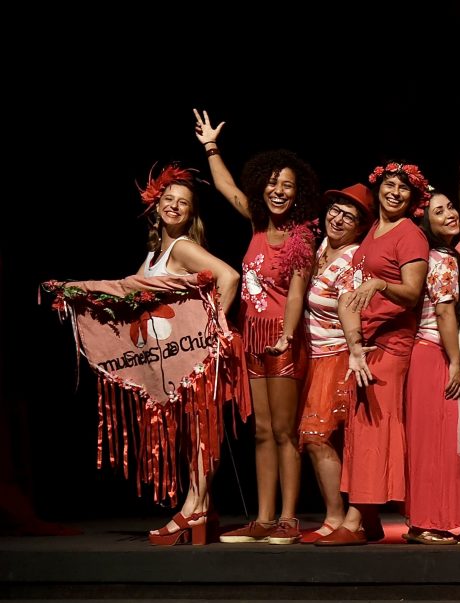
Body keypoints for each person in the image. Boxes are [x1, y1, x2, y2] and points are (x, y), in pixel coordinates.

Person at [195, 111, 319, 545]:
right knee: (262, 431)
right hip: (252, 337)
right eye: (272, 183)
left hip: (284, 340)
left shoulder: (302, 235)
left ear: (297, 191)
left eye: (286, 185)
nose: (278, 191)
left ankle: (288, 518)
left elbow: (298, 294)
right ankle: (264, 518)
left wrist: (286, 335)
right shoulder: (255, 224)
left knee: (286, 432)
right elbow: (227, 189)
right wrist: (211, 146)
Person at [315, 161, 430, 546]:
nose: (394, 193)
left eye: (403, 189)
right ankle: (367, 518)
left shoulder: (409, 234)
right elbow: (351, 294)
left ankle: (355, 520)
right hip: (366, 342)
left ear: (412, 198)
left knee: (372, 428)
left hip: (392, 342)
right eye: (389, 185)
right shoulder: (372, 235)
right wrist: (353, 345)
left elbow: (412, 293)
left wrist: (382, 283)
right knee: (359, 427)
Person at [136, 165, 241, 545]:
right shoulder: (155, 254)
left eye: (183, 203)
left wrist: (211, 332)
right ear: (156, 206)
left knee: (200, 433)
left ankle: (193, 508)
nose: (175, 207)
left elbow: (229, 278)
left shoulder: (182, 248)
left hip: (196, 355)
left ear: (191, 214)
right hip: (174, 359)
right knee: (192, 435)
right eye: (169, 200)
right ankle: (204, 507)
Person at [296, 184, 374, 543]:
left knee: (318, 437)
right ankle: (361, 518)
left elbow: (354, 309)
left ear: (361, 227)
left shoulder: (354, 259)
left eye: (349, 216)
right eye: (335, 210)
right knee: (332, 440)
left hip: (340, 355)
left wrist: (356, 351)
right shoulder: (321, 248)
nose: (338, 218)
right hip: (315, 355)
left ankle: (336, 516)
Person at [403, 193, 460, 544]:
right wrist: (456, 362)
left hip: (422, 354)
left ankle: (422, 520)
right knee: (441, 443)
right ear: (426, 223)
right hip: (436, 353)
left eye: (449, 207)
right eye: (438, 211)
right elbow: (445, 312)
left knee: (427, 440)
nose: (449, 214)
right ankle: (434, 520)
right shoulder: (442, 259)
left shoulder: (430, 257)